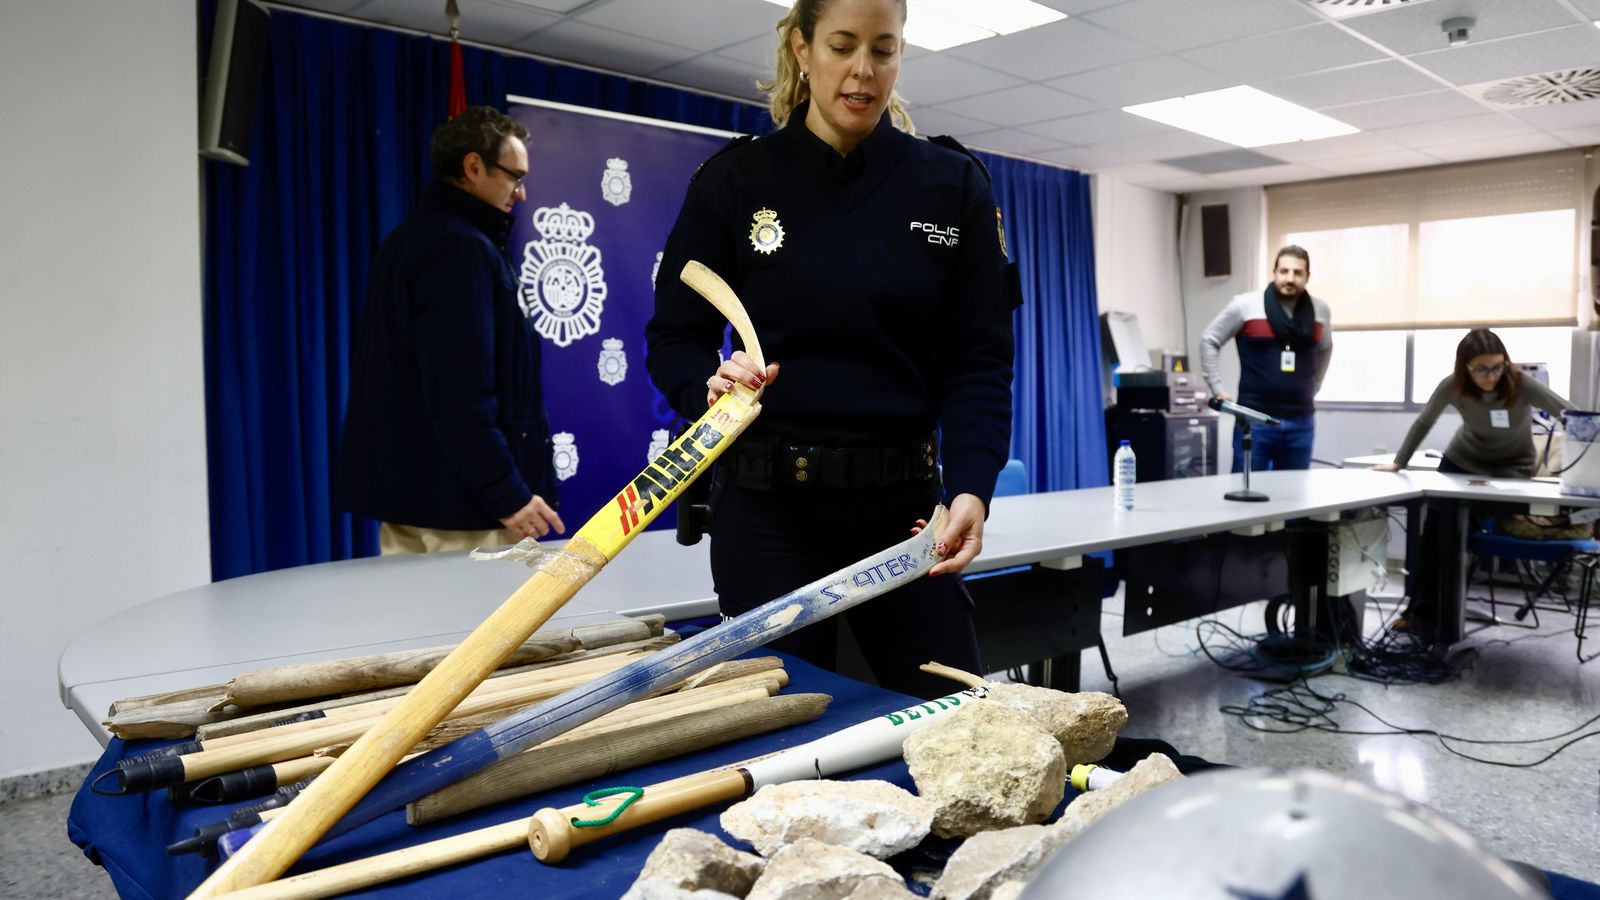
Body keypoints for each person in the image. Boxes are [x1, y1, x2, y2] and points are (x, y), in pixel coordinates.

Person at [645, 0, 1015, 699]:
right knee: (772, 729)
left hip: (905, 516)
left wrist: (973, 489)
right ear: (801, 47)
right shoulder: (734, 182)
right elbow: (675, 336)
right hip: (768, 516)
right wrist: (706, 387)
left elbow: (980, 361)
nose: (862, 70)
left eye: (884, 48)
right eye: (843, 45)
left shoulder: (951, 184)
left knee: (957, 717)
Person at [337, 106, 564, 555]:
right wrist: (507, 493)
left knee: (413, 625)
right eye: (514, 177)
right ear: (473, 167)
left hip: (416, 501)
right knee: (487, 628)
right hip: (465, 513)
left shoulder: (405, 241)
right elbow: (458, 390)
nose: (520, 194)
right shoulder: (461, 249)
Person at [1200, 246, 1332, 471]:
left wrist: (1316, 385)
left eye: (1297, 273)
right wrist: (1216, 387)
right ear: (1274, 272)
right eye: (1284, 271)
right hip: (1254, 421)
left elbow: (1326, 348)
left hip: (1301, 423)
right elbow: (1210, 339)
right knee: (1247, 497)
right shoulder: (1245, 305)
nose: (1290, 278)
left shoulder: (1321, 311)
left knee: (1294, 498)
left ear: (1307, 276)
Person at [1374, 328, 1568, 477]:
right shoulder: (1452, 386)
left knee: (1491, 520)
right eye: (1481, 369)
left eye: (1497, 367)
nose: (1491, 376)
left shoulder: (1521, 384)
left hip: (1513, 465)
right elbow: (1424, 422)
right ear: (1465, 368)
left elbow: (1571, 415)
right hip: (1463, 459)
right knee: (1440, 520)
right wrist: (1399, 462)